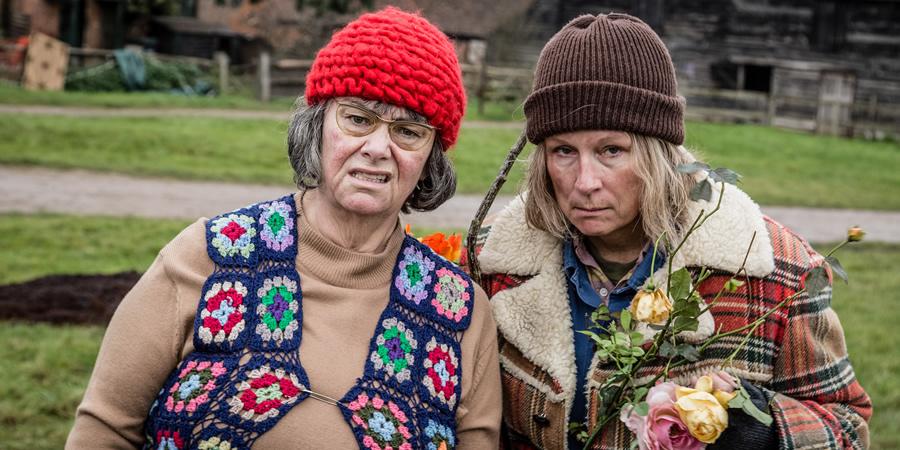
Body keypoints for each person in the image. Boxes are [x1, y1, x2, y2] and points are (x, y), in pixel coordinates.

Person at [67, 8, 502, 449]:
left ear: (431, 158)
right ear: (318, 125)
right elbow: (104, 431)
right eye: (357, 118)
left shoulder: (459, 313)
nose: (377, 148)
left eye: (408, 131)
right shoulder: (208, 256)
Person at [467, 13, 871, 450]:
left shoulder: (778, 274)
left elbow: (847, 428)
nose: (584, 181)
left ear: (659, 154)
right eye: (563, 150)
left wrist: (764, 429)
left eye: (611, 150)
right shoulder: (490, 266)